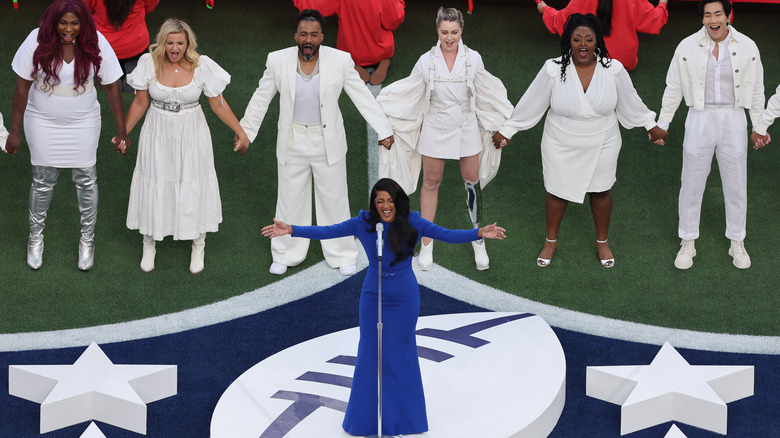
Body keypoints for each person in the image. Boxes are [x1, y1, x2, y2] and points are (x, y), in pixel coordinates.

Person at [261, 177, 506, 436]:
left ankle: (402, 422)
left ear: (397, 202)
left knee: (400, 355)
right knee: (369, 353)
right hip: (372, 296)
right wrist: (291, 229)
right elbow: (327, 231)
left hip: (404, 296)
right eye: (380, 201)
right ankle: (365, 422)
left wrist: (479, 233)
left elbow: (446, 234)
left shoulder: (413, 222)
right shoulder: (364, 223)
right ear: (374, 203)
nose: (385, 206)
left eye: (390, 201)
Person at [492, 13, 667, 268]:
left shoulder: (613, 69)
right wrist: (508, 130)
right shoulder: (553, 69)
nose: (583, 44)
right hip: (560, 140)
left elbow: (631, 102)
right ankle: (550, 241)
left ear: (597, 40)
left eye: (589, 38)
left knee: (601, 189)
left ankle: (602, 241)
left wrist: (651, 125)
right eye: (576, 39)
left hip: (604, 139)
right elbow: (532, 102)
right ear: (568, 41)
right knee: (556, 191)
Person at [239, 9, 395, 276]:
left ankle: (342, 253)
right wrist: (245, 131)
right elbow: (260, 97)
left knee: (334, 199)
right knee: (289, 199)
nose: (308, 39)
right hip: (293, 139)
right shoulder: (277, 61)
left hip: (328, 141)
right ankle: (285, 252)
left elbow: (362, 96)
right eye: (303, 34)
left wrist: (383, 129)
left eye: (313, 34)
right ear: (295, 37)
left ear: (322, 36)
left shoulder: (341, 60)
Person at [377, 7, 514, 272]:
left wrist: (503, 125)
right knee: (431, 182)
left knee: (471, 183)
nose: (449, 38)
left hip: (466, 127)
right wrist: (384, 120)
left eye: (454, 32)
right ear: (436, 30)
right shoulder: (425, 60)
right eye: (444, 32)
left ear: (461, 30)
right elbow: (408, 91)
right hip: (435, 126)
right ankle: (427, 243)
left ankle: (478, 241)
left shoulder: (473, 59)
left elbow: (489, 92)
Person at [7, 0, 130, 271]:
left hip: (83, 120)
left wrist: (122, 131)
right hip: (41, 119)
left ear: (83, 23)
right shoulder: (36, 40)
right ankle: (35, 238)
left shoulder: (96, 41)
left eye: (75, 23)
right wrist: (15, 131)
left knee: (87, 179)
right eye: (63, 22)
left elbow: (111, 87)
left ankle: (88, 241)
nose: (69, 29)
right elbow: (21, 86)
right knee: (43, 179)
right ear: (54, 22)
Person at [123, 19, 250, 274]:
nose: (174, 48)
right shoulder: (149, 63)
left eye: (180, 43)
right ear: (162, 42)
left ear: (188, 43)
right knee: (155, 179)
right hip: (157, 131)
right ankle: (149, 243)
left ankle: (198, 244)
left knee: (192, 180)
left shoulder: (201, 65)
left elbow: (218, 104)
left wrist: (240, 131)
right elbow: (139, 102)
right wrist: (123, 133)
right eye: (170, 42)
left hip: (192, 133)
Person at [657, 0, 764, 270]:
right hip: (699, 117)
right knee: (691, 182)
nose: (713, 20)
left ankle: (736, 241)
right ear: (702, 19)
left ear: (729, 15)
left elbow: (757, 89)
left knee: (736, 183)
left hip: (733, 117)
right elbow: (673, 87)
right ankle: (688, 240)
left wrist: (758, 126)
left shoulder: (748, 46)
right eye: (707, 15)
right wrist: (663, 123)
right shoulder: (686, 46)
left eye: (718, 13)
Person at [291, 0, 405, 85]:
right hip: (380, 49)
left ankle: (352, 64)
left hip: (352, 51)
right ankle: (384, 60)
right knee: (383, 51)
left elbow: (315, 6)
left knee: (347, 56)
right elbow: (394, 21)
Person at [535, 0, 669, 71]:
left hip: (590, 58)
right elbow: (654, 20)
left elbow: (562, 21)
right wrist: (663, 3)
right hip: (624, 62)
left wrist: (545, 9)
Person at [87, 0, 160, 93]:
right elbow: (150, 8)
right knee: (135, 80)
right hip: (135, 46)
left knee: (109, 81)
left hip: (104, 46)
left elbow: (84, 9)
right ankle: (130, 85)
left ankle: (114, 85)